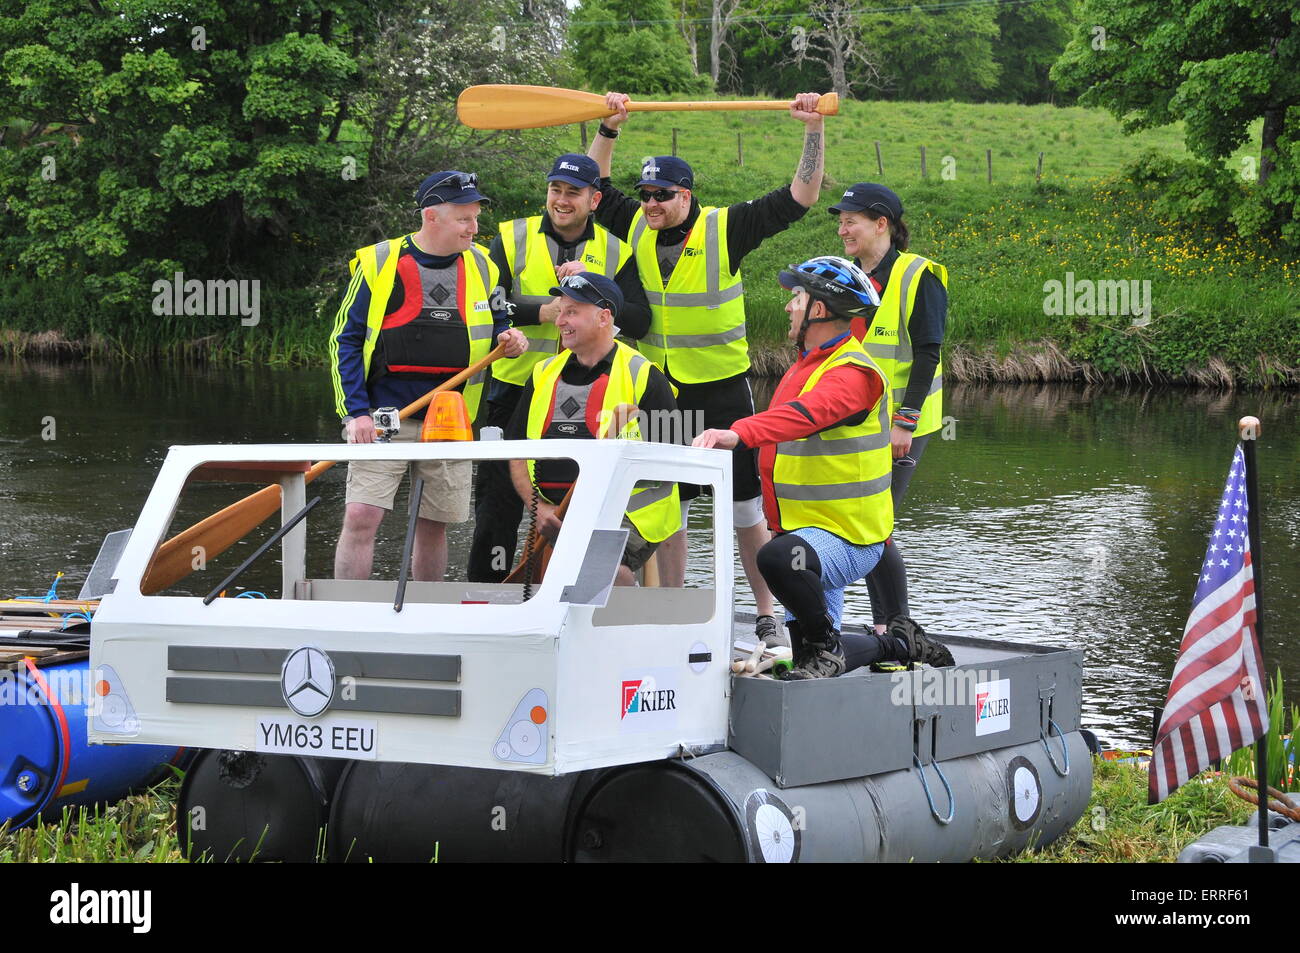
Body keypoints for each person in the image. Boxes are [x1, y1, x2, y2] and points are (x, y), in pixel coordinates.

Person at [587, 89, 829, 645]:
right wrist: (609, 128)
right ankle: (673, 609)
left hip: (722, 394)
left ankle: (767, 615)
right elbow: (598, 187)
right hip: (663, 398)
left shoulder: (726, 228)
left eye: (661, 195)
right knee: (664, 504)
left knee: (745, 509)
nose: (649, 204)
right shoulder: (637, 228)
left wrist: (812, 130)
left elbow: (802, 196)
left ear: (686, 194)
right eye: (645, 194)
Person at [692, 257, 953, 679]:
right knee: (807, 653)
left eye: (796, 298)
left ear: (819, 309)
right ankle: (901, 643)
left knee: (775, 559)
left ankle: (833, 645)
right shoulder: (809, 363)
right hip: (811, 532)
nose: (788, 308)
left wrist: (738, 433)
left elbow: (807, 414)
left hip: (848, 538)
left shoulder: (853, 372)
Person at [329, 170, 528, 582]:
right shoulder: (380, 262)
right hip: (384, 419)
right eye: (464, 219)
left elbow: (497, 323)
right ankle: (348, 613)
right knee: (362, 516)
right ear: (431, 217)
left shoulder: (483, 267)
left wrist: (510, 339)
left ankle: (425, 611)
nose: (475, 228)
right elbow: (343, 342)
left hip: (450, 421)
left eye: (475, 218)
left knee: (433, 524)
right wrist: (356, 414)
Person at [468, 153, 651, 583]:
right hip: (512, 393)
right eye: (556, 190)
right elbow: (487, 303)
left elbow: (640, 319)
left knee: (569, 502)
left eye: (573, 193)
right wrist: (543, 310)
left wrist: (596, 291)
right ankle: (487, 593)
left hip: (584, 393)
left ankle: (566, 596)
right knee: (498, 504)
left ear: (594, 199)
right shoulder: (512, 237)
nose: (562, 200)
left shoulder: (614, 249)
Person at [506, 273, 681, 585]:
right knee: (575, 566)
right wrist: (539, 508)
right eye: (560, 311)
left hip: (631, 514)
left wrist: (593, 512)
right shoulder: (542, 373)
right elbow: (516, 453)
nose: (560, 321)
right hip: (556, 510)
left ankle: (624, 623)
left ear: (604, 317)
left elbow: (672, 464)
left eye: (572, 311)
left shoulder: (644, 376)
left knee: (595, 563)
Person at [829, 183, 948, 635]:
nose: (843, 229)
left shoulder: (920, 276)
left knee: (875, 524)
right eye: (840, 221)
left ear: (882, 224)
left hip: (901, 427)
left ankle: (895, 628)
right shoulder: (845, 274)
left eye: (851, 220)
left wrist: (905, 424)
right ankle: (885, 626)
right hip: (855, 423)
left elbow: (928, 354)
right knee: (864, 522)